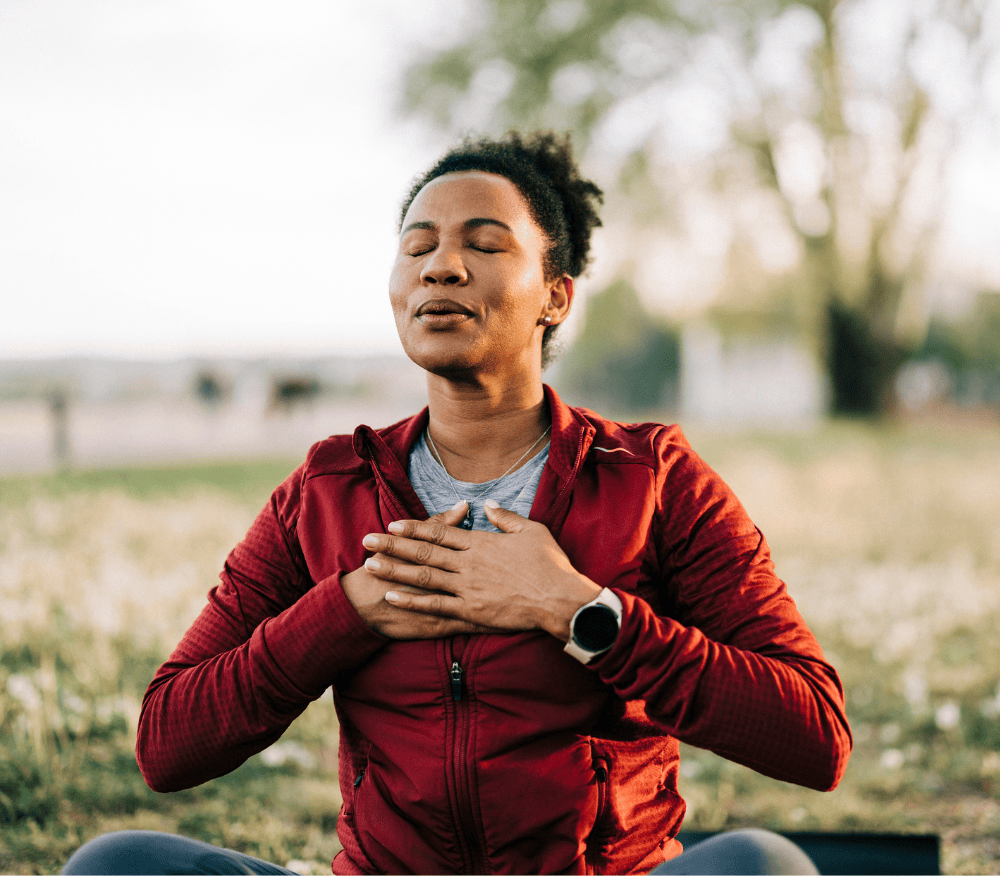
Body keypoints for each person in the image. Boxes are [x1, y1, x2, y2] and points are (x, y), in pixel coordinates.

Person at [63, 132, 851, 875]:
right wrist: (343, 614)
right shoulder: (329, 489)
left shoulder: (653, 478)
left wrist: (580, 612)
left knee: (761, 865)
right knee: (115, 866)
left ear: (555, 296)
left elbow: (816, 736)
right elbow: (167, 744)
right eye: (417, 247)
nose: (440, 267)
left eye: (483, 244)